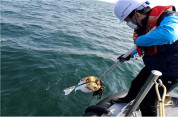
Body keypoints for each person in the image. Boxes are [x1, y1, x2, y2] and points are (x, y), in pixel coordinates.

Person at [111, 0, 178, 116]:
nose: (129, 24)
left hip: (173, 71)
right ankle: (127, 99)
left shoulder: (169, 17)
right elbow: (147, 47)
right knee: (136, 83)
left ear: (137, 15)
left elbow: (170, 34)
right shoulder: (145, 25)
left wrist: (139, 40)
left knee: (147, 102)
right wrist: (130, 55)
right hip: (157, 63)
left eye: (128, 20)